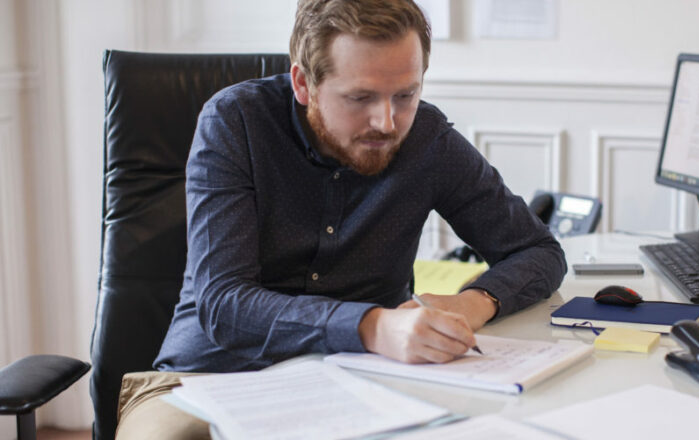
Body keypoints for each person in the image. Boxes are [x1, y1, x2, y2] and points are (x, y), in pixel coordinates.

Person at [115, 0, 565, 437]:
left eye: (405, 95)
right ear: (303, 83)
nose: (387, 123)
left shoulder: (428, 140)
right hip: (208, 378)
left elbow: (539, 251)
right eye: (360, 97)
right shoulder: (236, 122)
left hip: (369, 383)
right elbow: (224, 304)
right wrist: (370, 325)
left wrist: (471, 303)